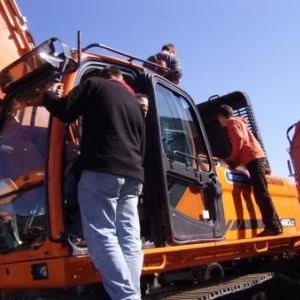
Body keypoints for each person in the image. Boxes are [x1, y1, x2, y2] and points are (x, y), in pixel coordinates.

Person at [42, 65, 145, 300]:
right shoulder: (136, 105)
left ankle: (126, 297)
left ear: (104, 76)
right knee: (128, 238)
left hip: (102, 171)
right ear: (121, 79)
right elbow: (142, 146)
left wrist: (50, 94)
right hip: (133, 175)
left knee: (102, 235)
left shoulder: (95, 85)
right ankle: (132, 295)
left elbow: (65, 110)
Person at [217, 104, 282, 237]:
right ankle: (276, 225)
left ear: (221, 116)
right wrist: (236, 162)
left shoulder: (231, 123)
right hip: (255, 158)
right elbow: (244, 146)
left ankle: (273, 227)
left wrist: (231, 158)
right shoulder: (239, 122)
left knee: (261, 193)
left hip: (254, 159)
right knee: (261, 192)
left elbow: (239, 140)